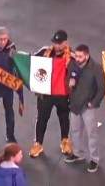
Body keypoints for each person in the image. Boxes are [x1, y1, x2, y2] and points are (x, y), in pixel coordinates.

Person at [29, 30, 73, 159]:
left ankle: (65, 141)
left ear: (66, 43)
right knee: (42, 119)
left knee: (64, 118)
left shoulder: (72, 56)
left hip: (63, 95)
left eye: (59, 43)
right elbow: (31, 61)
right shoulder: (44, 52)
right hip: (46, 94)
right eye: (54, 42)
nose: (56, 45)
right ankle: (38, 144)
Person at [63, 44, 105, 173]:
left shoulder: (96, 68)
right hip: (75, 104)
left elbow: (102, 88)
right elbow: (67, 79)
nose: (77, 58)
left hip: (88, 107)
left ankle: (94, 159)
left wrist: (93, 103)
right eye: (76, 55)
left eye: (80, 56)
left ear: (87, 56)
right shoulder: (72, 65)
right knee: (75, 130)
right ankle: (78, 153)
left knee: (91, 133)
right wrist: (68, 83)